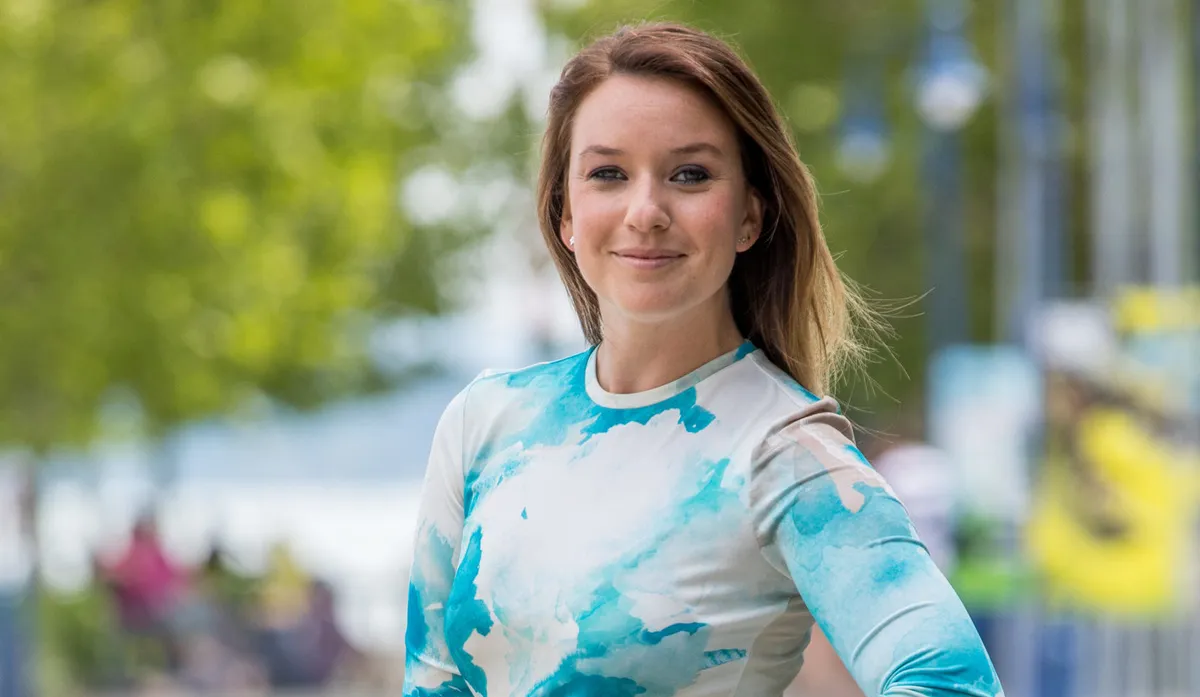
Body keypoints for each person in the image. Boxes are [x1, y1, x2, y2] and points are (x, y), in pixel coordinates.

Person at [402, 22, 1003, 697]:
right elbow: (432, 683)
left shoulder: (785, 453)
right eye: (607, 174)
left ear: (750, 216)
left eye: (689, 175)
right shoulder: (485, 421)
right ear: (565, 213)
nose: (645, 211)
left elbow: (953, 683)